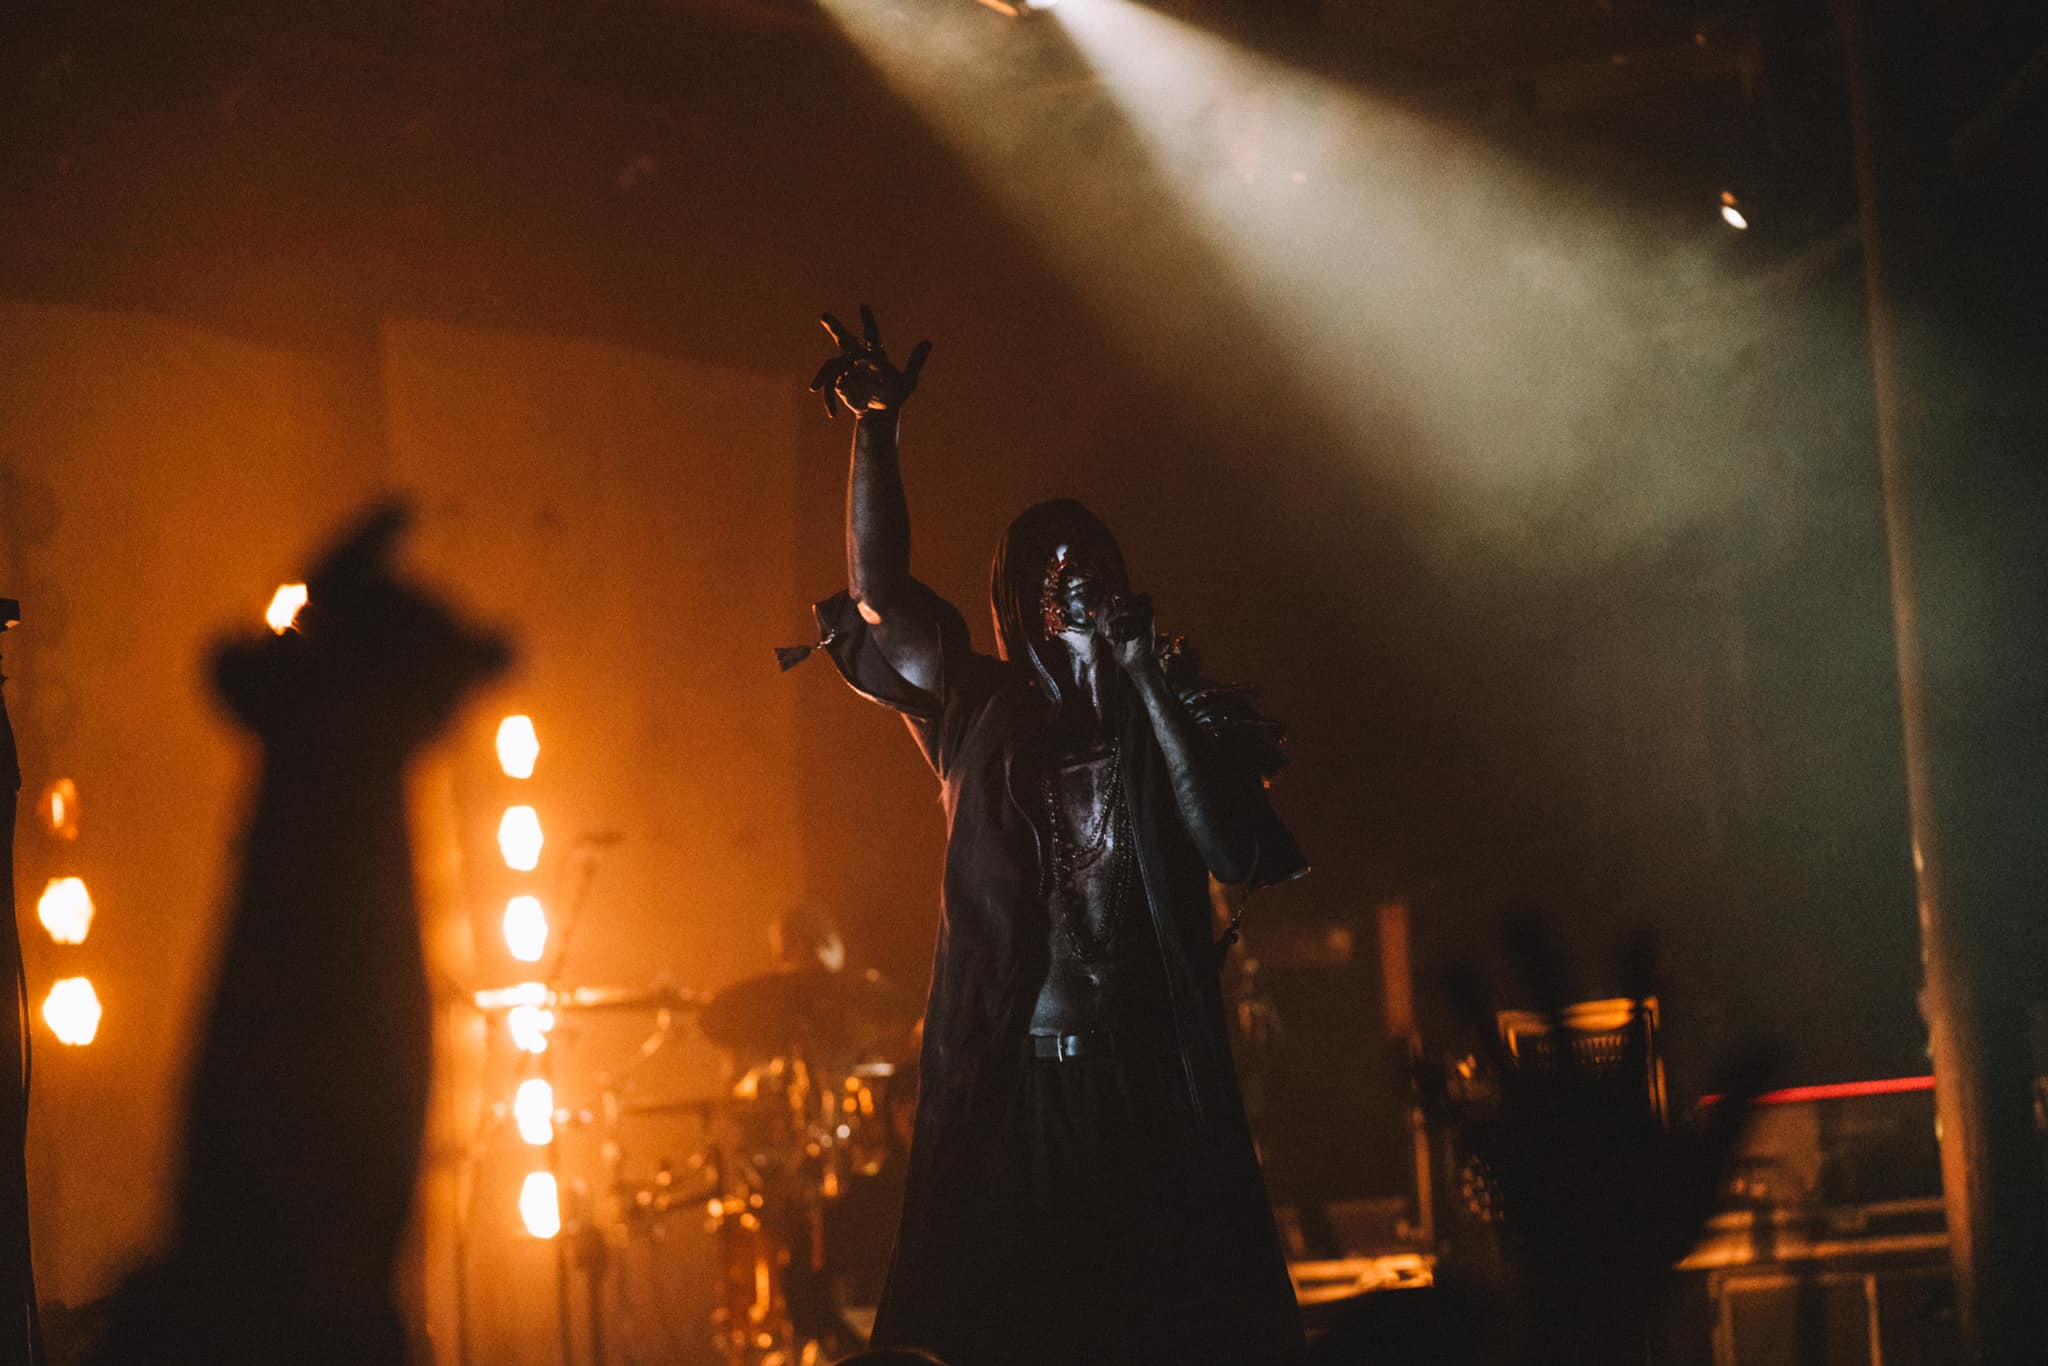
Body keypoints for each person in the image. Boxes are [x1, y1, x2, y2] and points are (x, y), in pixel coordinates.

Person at [796, 308, 1309, 1366]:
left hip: (1145, 1090)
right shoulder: (978, 714)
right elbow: (879, 598)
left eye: (1093, 558)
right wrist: (877, 430)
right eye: (1051, 561)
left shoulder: (1168, 716)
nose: (1075, 572)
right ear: (1019, 597)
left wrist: (1148, 682)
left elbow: (1239, 854)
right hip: (1020, 1089)